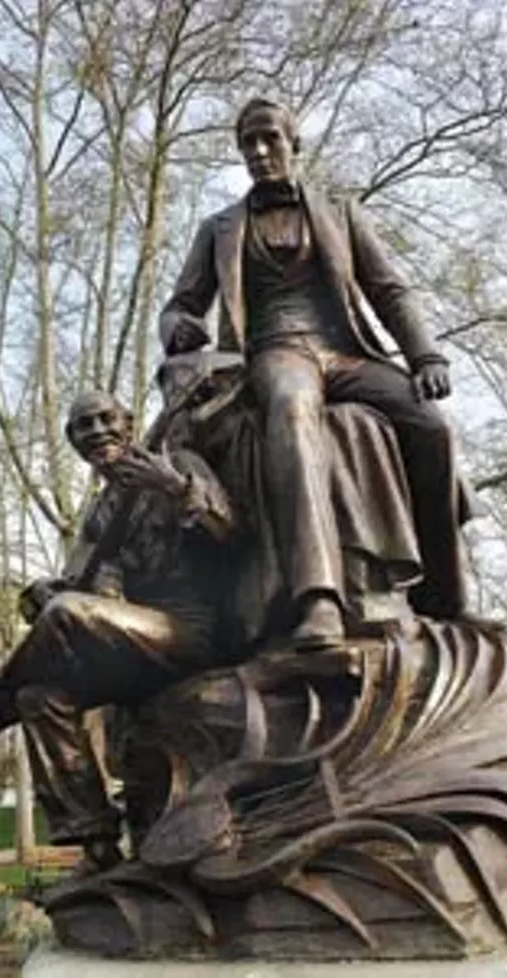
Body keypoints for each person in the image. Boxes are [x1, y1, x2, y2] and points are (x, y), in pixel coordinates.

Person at [159, 97, 471, 650]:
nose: (259, 151)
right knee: (292, 409)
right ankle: (319, 597)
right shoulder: (218, 228)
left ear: (293, 144)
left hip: (346, 354)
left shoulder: (340, 212)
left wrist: (425, 356)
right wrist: (179, 328)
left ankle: (443, 598)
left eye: (270, 139)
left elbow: (389, 290)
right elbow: (180, 305)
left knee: (432, 426)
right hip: (274, 352)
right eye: (248, 143)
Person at [0, 390, 235, 869]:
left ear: (128, 423)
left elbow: (231, 532)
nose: (96, 431)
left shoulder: (178, 464)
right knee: (39, 698)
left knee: (68, 614)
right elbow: (88, 589)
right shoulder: (101, 512)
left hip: (191, 632)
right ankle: (96, 843)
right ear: (73, 441)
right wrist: (43, 591)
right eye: (82, 426)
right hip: (133, 643)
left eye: (104, 419)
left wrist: (174, 487)